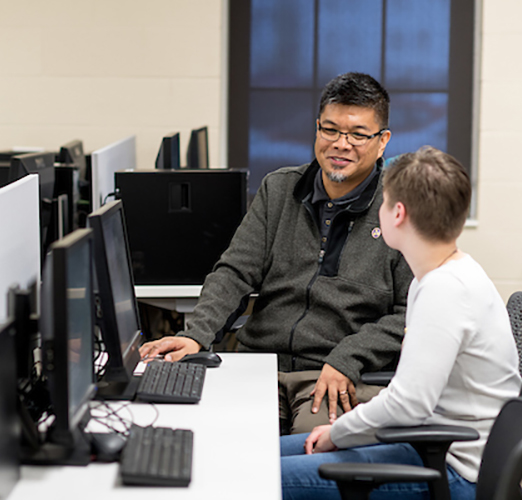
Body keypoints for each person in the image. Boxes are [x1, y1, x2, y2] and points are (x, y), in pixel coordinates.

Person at [139, 72, 413, 434]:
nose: (341, 144)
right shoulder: (280, 189)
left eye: (358, 134)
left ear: (382, 142)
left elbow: (412, 312)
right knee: (210, 438)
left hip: (330, 374)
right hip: (259, 365)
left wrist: (349, 358)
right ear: (317, 129)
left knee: (303, 460)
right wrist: (197, 334)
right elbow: (235, 272)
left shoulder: (400, 208)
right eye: (330, 130)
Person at [280, 146, 522, 499]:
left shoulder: (445, 289)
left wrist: (338, 433)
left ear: (398, 213)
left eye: (383, 202)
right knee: (258, 457)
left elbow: (409, 403)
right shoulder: (448, 274)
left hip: (454, 473)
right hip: (432, 447)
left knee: (259, 478)